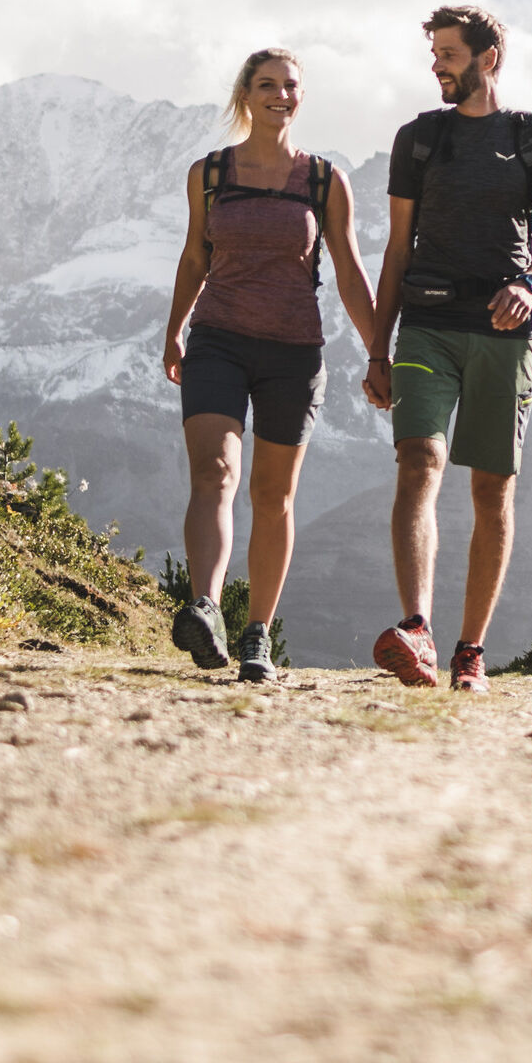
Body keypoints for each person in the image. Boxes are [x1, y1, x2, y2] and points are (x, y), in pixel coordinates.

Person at [362, 4, 532, 692]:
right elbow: (397, 249)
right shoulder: (418, 140)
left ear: (489, 58)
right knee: (419, 459)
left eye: (448, 53)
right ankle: (416, 630)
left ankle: (469, 652)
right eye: (435, 54)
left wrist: (530, 283)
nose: (436, 66)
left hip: (504, 334)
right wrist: (377, 350)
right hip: (425, 323)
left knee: (492, 490)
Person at [163, 49, 375, 683]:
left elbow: (349, 270)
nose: (280, 95)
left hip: (294, 353)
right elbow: (194, 258)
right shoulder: (208, 174)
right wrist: (174, 331)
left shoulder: (324, 181)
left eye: (290, 86)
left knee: (273, 496)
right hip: (217, 340)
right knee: (215, 473)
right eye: (267, 85)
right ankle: (205, 607)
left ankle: (257, 636)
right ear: (245, 95)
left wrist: (378, 352)